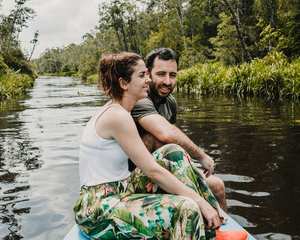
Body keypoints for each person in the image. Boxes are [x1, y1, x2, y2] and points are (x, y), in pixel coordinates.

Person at [73, 52, 247, 239]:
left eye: (147, 74)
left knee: (172, 152)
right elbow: (152, 171)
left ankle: (209, 229)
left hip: (123, 188)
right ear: (124, 84)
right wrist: (197, 201)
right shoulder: (117, 116)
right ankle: (204, 228)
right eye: (142, 75)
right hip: (97, 210)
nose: (148, 80)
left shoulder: (122, 110)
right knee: (186, 207)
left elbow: (156, 162)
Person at [131, 47, 228, 212]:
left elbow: (172, 134)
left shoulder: (170, 102)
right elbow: (165, 133)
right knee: (153, 136)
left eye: (172, 75)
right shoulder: (140, 98)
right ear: (147, 74)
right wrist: (201, 156)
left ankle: (222, 232)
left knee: (217, 185)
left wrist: (190, 165)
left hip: (164, 167)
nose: (168, 82)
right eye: (161, 74)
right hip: (136, 175)